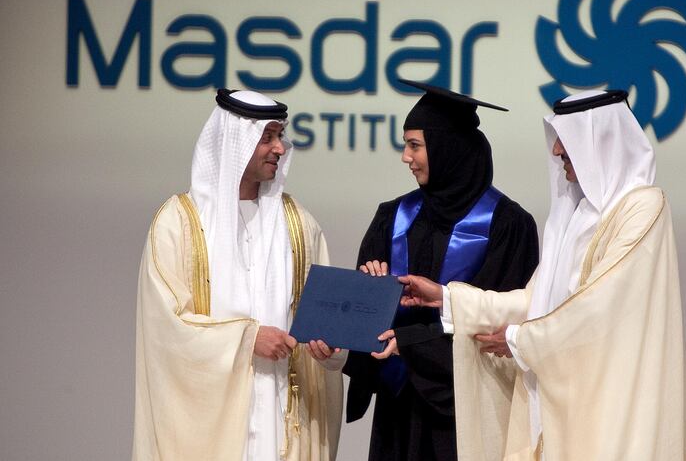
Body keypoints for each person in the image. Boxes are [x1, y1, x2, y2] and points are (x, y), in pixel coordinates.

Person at [401, 89, 686, 461]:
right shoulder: (576, 215)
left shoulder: (643, 208)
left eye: (567, 139)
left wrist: (521, 341)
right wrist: (446, 297)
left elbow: (597, 308)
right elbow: (536, 300)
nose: (556, 150)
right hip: (562, 401)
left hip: (612, 404)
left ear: (600, 140)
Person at [133, 89, 343, 461]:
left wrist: (330, 348)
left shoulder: (297, 224)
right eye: (268, 137)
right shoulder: (179, 224)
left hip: (282, 418)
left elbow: (322, 320)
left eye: (280, 136)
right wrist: (247, 340)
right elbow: (165, 329)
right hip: (210, 429)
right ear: (235, 141)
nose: (280, 148)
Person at [344, 80, 540, 461]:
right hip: (398, 410)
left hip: (468, 408)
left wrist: (415, 346)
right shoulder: (392, 218)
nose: (405, 156)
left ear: (447, 149)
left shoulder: (508, 225)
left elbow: (499, 324)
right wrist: (369, 296)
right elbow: (364, 329)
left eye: (415, 145)